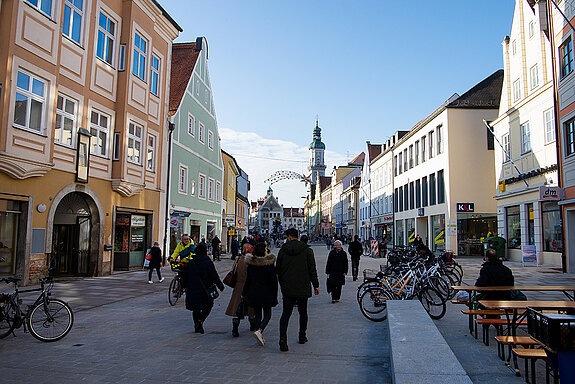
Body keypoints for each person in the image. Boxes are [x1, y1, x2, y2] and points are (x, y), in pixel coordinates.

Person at [276, 228, 320, 352]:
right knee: (303, 312)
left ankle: (283, 340)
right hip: (303, 286)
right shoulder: (307, 250)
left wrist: (282, 283)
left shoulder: (282, 251)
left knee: (286, 314)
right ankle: (302, 336)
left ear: (289, 237)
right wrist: (315, 285)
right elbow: (312, 269)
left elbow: (278, 269)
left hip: (288, 287)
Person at [243, 242, 278, 346]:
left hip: (254, 292)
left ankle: (258, 332)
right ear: (263, 251)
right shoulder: (269, 265)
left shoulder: (251, 265)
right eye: (266, 249)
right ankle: (259, 330)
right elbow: (273, 281)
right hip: (266, 293)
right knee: (267, 315)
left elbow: (248, 280)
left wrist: (244, 293)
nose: (267, 250)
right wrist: (275, 294)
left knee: (258, 314)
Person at [185, 242, 225, 333]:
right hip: (205, 289)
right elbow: (214, 276)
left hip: (192, 289)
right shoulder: (208, 262)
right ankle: (200, 321)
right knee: (208, 305)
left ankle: (197, 325)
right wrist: (220, 286)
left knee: (196, 308)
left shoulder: (191, 262)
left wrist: (185, 286)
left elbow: (185, 276)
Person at [225, 244, 252, 337]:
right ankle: (252, 324)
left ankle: (235, 329)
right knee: (251, 307)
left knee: (236, 307)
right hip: (250, 286)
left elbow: (234, 271)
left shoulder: (238, 259)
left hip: (238, 285)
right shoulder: (252, 260)